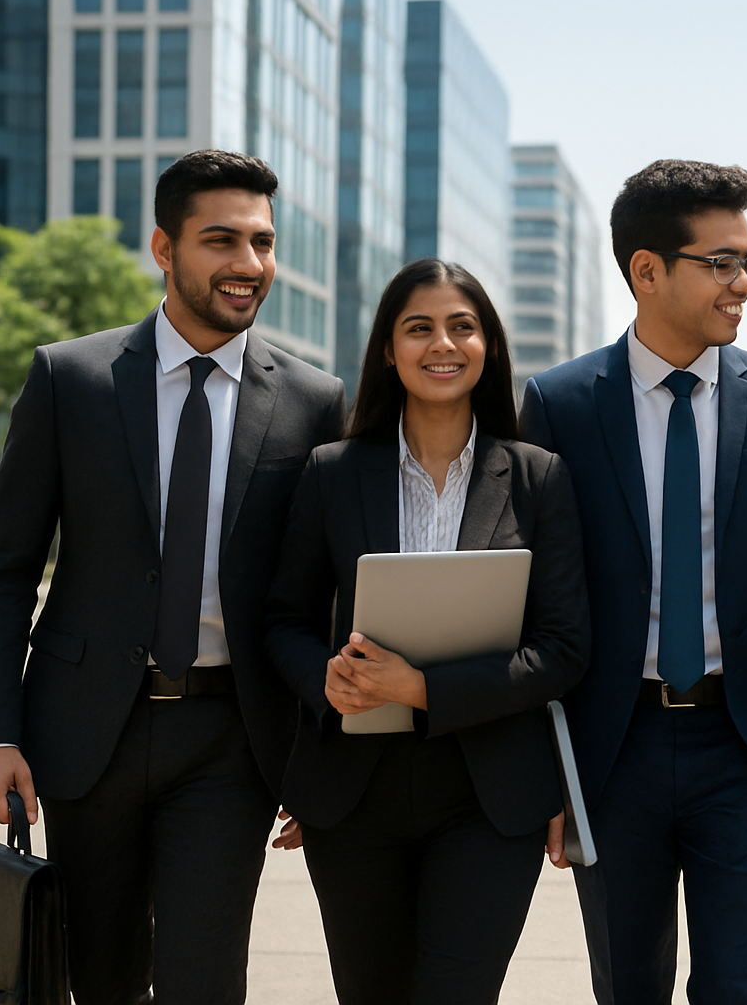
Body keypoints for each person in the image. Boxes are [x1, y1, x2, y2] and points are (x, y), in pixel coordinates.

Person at [0, 149, 346, 1003]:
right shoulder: (73, 378)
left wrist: (323, 755)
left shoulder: (316, 401)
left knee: (205, 981)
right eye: (222, 241)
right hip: (84, 731)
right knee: (100, 976)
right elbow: (3, 570)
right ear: (164, 250)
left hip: (232, 739)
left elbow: (323, 593)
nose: (249, 265)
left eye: (263, 242)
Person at [518, 159, 747, 1005]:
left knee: (741, 988)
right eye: (722, 263)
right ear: (647, 270)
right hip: (611, 748)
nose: (743, 284)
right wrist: (553, 765)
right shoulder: (557, 404)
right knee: (628, 987)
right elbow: (535, 595)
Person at [264, 258, 589, 1004]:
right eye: (419, 328)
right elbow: (284, 620)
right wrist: (326, 678)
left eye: (462, 326)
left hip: (490, 796)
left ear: (489, 346)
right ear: (388, 348)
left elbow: (563, 648)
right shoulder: (332, 472)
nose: (442, 344)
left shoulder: (539, 478)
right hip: (355, 793)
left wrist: (420, 688)